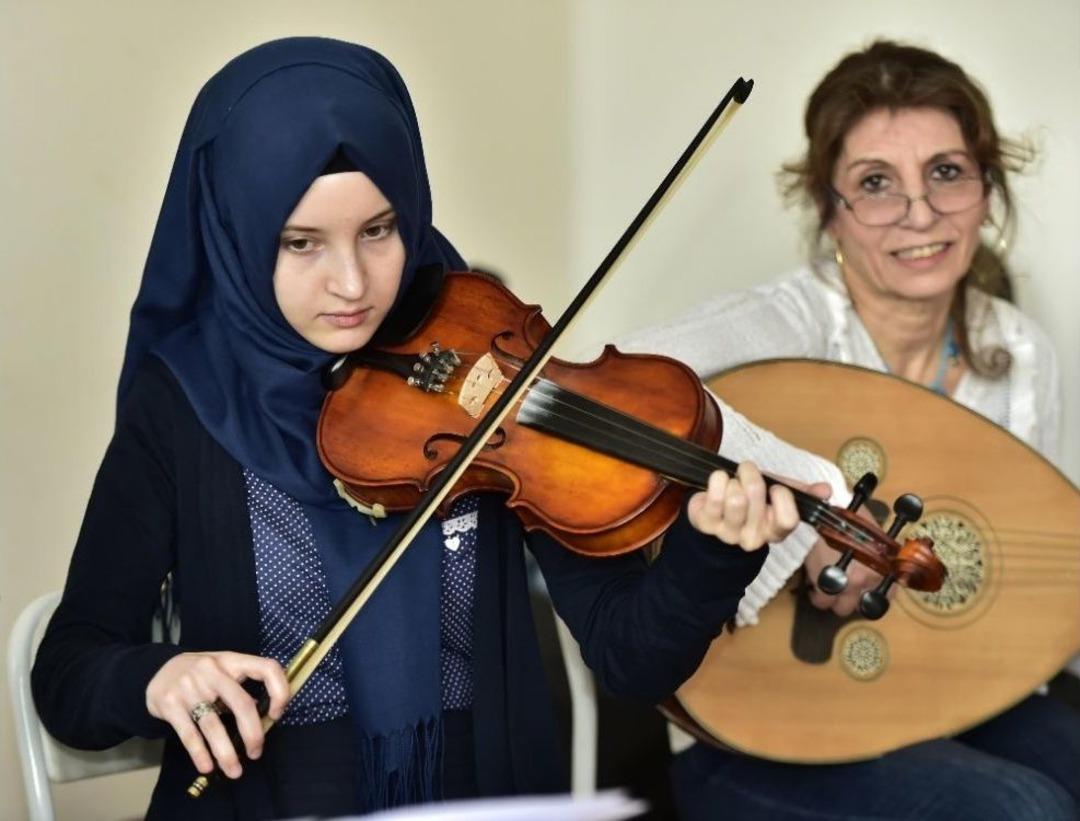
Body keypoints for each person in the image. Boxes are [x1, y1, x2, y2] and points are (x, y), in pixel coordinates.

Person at [28, 37, 824, 821]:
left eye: (379, 230)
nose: (352, 283)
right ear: (235, 233)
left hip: (484, 799)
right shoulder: (184, 403)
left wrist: (712, 552)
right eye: (301, 243)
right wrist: (158, 677)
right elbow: (68, 671)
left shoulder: (481, 359)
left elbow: (629, 658)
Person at [615, 40, 1080, 820]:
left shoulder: (1020, 352)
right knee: (1019, 811)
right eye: (876, 184)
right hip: (761, 722)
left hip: (951, 689)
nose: (920, 213)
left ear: (988, 190)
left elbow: (1032, 589)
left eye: (946, 172)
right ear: (830, 209)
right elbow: (612, 395)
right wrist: (799, 530)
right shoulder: (781, 329)